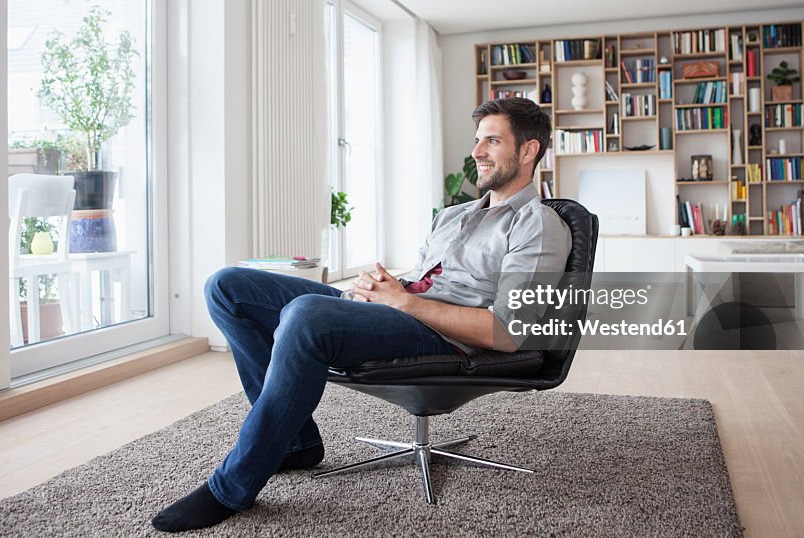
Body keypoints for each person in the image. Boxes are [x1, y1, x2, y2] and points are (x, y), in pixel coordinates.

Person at [151, 97, 571, 532]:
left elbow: (506, 332)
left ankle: (232, 486)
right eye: (477, 140)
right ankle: (295, 444)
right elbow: (425, 278)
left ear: (528, 151)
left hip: (444, 334)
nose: (477, 152)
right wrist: (385, 289)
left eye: (492, 141)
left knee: (307, 315)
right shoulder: (454, 215)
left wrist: (403, 301)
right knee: (229, 286)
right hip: (404, 310)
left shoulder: (536, 225)